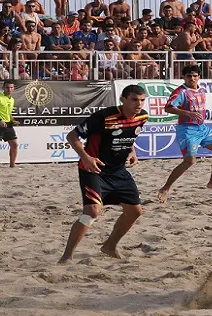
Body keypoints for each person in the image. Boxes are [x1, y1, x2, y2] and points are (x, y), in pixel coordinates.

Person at [58, 85, 149, 264]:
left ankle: (109, 246)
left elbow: (128, 135)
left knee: (135, 212)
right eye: (134, 99)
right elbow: (72, 137)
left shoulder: (142, 117)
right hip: (94, 169)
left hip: (118, 171)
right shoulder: (103, 117)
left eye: (142, 100)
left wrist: (132, 152)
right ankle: (67, 257)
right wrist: (86, 157)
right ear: (123, 100)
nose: (139, 104)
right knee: (92, 211)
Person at [157, 65, 212, 203]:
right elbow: (168, 107)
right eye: (189, 76)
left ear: (199, 77)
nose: (192, 78)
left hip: (202, 128)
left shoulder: (201, 89)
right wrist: (187, 113)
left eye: (195, 76)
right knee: (190, 161)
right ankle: (165, 188)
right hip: (187, 129)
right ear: (183, 77)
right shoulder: (180, 92)